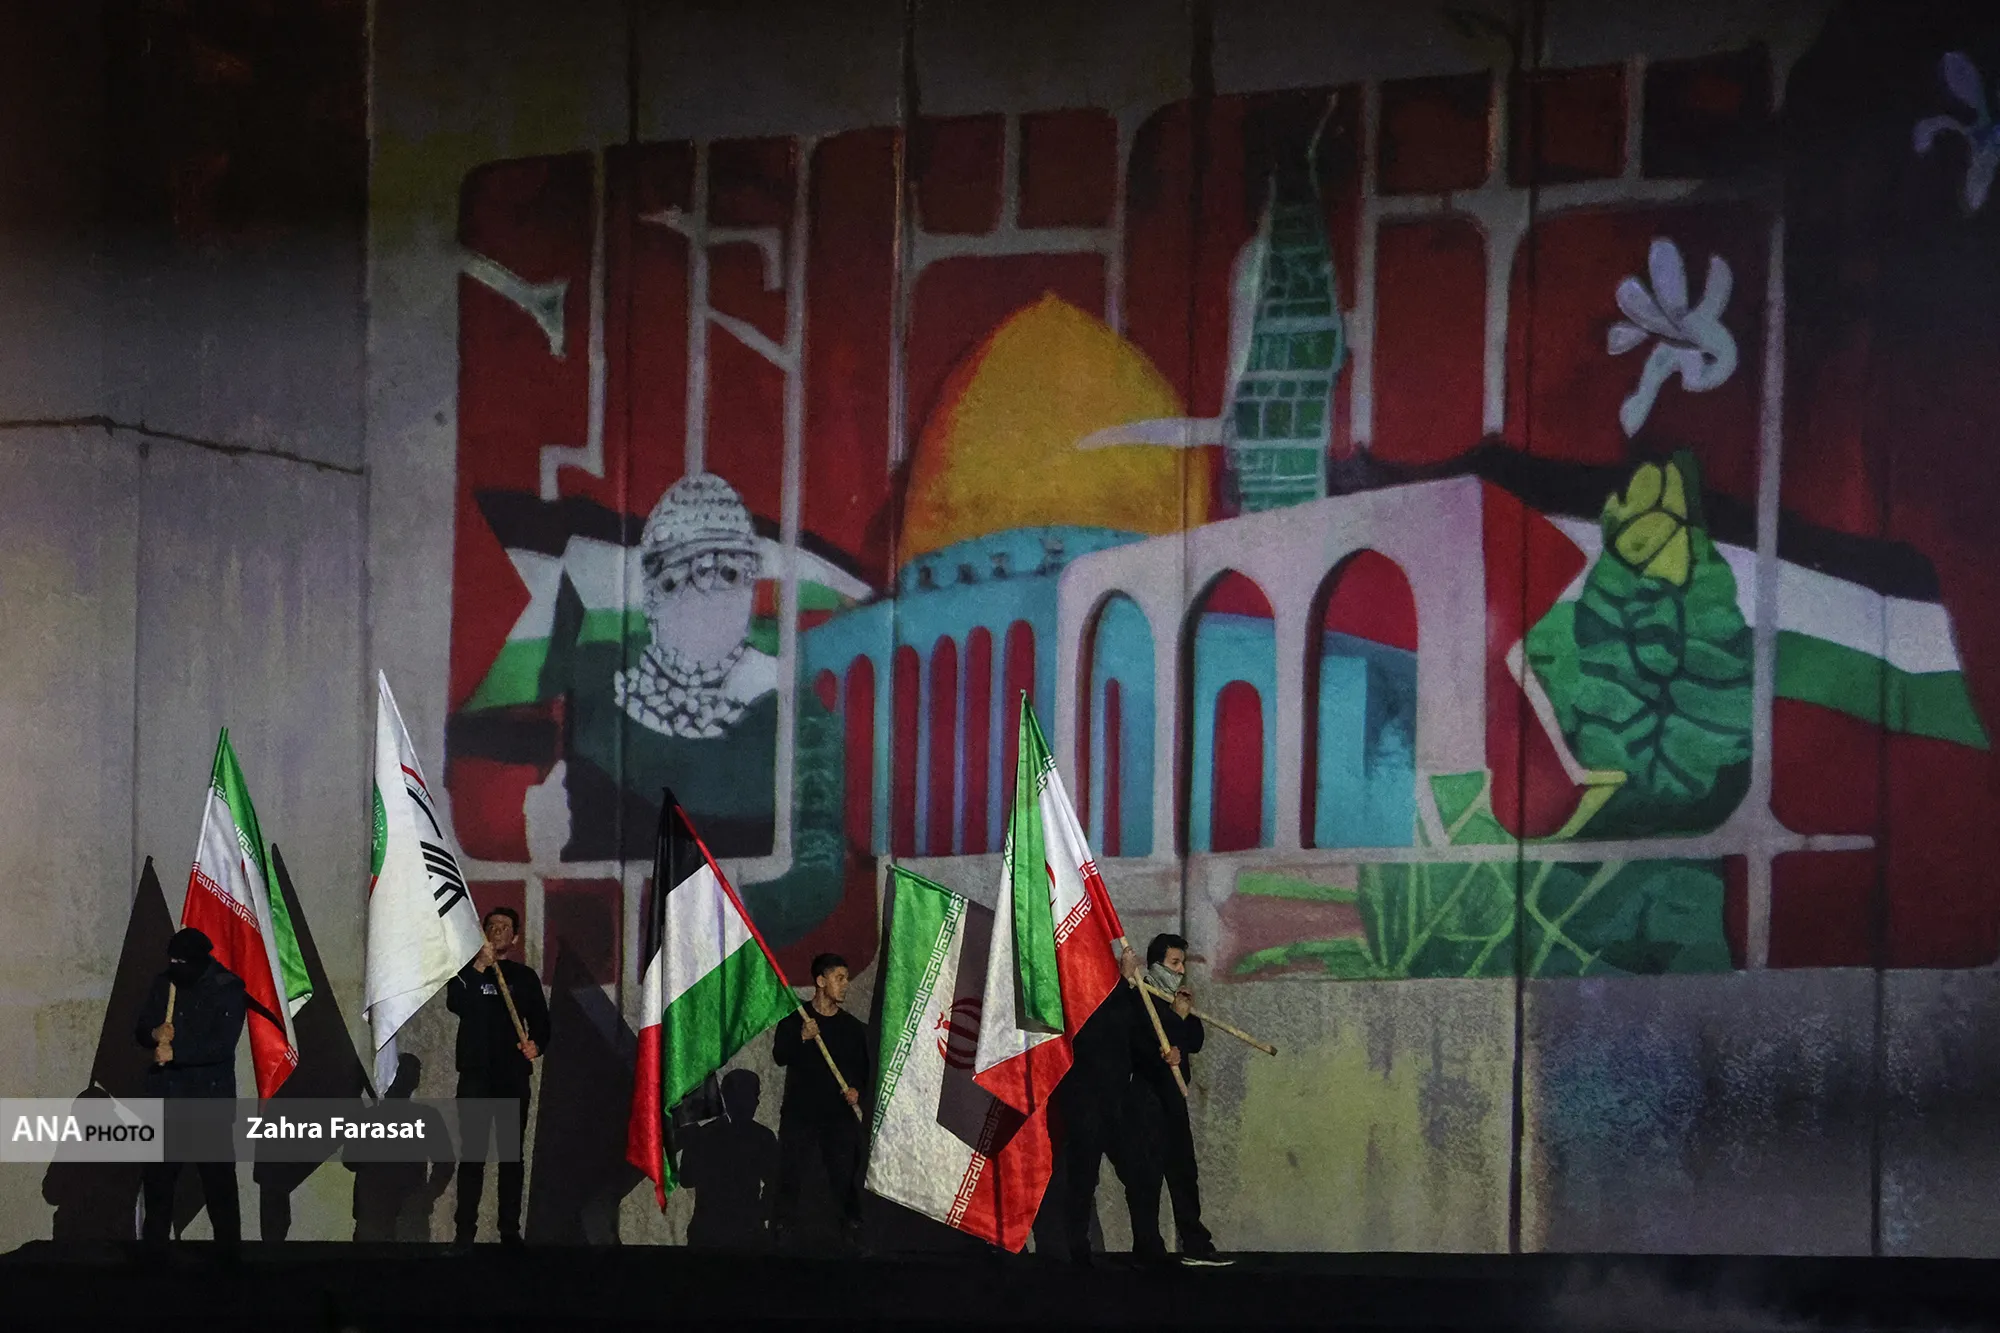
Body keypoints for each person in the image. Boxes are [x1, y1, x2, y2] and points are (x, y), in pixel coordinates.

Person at [133, 927, 247, 1253]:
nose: (175, 966)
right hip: (167, 1102)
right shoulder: (165, 983)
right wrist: (154, 1034)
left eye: (181, 962)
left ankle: (229, 1258)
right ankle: (154, 1258)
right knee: (158, 1186)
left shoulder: (227, 988)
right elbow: (141, 1029)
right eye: (172, 960)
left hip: (208, 1104)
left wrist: (176, 1053)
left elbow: (221, 1045)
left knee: (218, 1187)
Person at [445, 907, 549, 1250]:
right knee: (472, 1154)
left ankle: (509, 1231)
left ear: (515, 937)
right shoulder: (466, 973)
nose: (498, 930)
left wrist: (536, 1045)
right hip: (476, 1075)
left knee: (510, 1156)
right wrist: (479, 966)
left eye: (505, 926)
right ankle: (465, 1232)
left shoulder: (524, 977)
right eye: (492, 925)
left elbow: (542, 1023)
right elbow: (457, 1003)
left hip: (511, 1077)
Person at [1124, 934, 1229, 1267]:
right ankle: (1148, 1249)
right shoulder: (1139, 997)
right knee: (1147, 1175)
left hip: (1174, 1096)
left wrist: (1182, 1017)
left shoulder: (1175, 998)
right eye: (1174, 963)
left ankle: (1195, 1243)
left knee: (1184, 1171)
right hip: (1147, 1097)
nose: (1181, 970)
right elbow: (1140, 1044)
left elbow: (1194, 1040)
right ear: (1156, 965)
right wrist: (1174, 1021)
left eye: (1182, 963)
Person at [1047, 940, 1150, 1267]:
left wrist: (1130, 986)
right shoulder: (1079, 997)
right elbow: (1096, 1029)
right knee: (1082, 1178)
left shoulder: (1120, 996)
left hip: (1118, 1102)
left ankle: (1147, 1244)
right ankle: (1077, 1249)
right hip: (1085, 1102)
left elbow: (1133, 1030)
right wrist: (1122, 982)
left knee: (1138, 1173)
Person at [770, 952, 870, 1248]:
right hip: (800, 1115)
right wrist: (801, 1037)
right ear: (821, 981)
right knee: (791, 1172)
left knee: (844, 1174)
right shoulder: (796, 1020)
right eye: (839, 978)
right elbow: (779, 1056)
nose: (845, 984)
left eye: (846, 978)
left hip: (838, 1117)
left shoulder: (852, 1028)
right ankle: (782, 1231)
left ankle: (851, 1232)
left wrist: (856, 1091)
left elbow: (863, 1070)